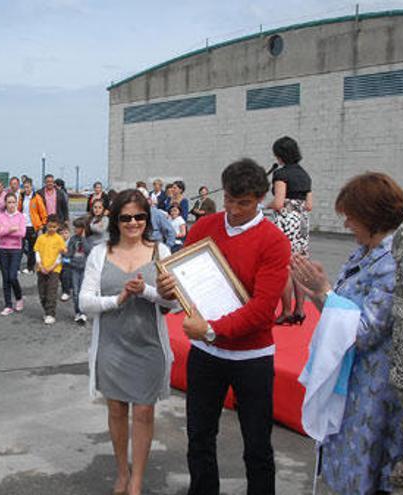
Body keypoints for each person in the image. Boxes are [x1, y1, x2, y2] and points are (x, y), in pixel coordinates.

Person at [157, 158, 290, 495]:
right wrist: (168, 289)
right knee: (199, 436)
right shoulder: (205, 226)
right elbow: (183, 282)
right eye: (229, 199)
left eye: (242, 203)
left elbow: (262, 311)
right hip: (206, 353)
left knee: (257, 444)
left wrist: (213, 329)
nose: (232, 209)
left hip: (252, 357)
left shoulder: (274, 241)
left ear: (260, 198)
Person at [290, 172, 403, 494]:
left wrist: (324, 290)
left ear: (371, 217)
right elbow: (335, 311)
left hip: (369, 388)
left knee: (362, 471)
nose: (347, 226)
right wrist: (316, 291)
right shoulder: (363, 253)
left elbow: (365, 331)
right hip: (349, 379)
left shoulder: (391, 261)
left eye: (351, 218)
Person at [79, 189, 177, 495]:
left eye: (139, 216)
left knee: (145, 413)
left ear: (147, 219)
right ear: (115, 220)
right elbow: (85, 302)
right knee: (117, 411)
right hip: (111, 346)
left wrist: (146, 291)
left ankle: (137, 481)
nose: (133, 223)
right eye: (126, 217)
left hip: (149, 345)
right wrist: (119, 298)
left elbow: (173, 303)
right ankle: (122, 471)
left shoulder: (161, 252)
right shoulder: (100, 253)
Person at [269, 136, 314, 326]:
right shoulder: (305, 175)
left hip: (287, 221)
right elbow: (310, 205)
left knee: (284, 267)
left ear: (280, 155)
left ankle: (287, 310)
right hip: (302, 221)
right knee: (299, 265)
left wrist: (267, 205)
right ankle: (300, 310)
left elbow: (279, 202)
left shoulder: (281, 174)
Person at [0, 192, 26, 316]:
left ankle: (19, 298)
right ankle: (8, 305)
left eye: (13, 202)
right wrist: (11, 229)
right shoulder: (1, 216)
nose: (11, 205)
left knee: (12, 276)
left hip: (16, 249)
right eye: (9, 202)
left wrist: (5, 230)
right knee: (5, 278)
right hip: (2, 248)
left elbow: (22, 233)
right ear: (5, 204)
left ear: (17, 203)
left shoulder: (21, 216)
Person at [33, 214, 66, 325]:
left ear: (58, 227)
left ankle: (50, 313)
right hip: (41, 269)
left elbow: (60, 255)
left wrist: (53, 266)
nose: (52, 229)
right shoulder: (41, 238)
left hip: (54, 270)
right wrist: (40, 265)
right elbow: (37, 251)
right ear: (46, 225)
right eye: (50, 226)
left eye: (54, 227)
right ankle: (46, 310)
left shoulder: (59, 239)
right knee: (42, 292)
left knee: (51, 291)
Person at [67, 217, 92, 324]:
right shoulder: (72, 239)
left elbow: (88, 251)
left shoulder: (88, 239)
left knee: (83, 292)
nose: (75, 229)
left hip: (85, 269)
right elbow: (69, 253)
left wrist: (83, 238)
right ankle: (77, 311)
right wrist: (67, 258)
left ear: (83, 228)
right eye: (75, 227)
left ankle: (83, 312)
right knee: (76, 292)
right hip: (74, 268)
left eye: (78, 228)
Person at [19, 179, 46, 273]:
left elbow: (43, 213)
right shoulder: (21, 197)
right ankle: (18, 267)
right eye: (24, 187)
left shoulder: (37, 198)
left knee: (32, 248)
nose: (26, 189)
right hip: (22, 226)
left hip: (33, 226)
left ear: (31, 187)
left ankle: (30, 268)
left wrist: (41, 226)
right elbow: (19, 210)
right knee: (20, 247)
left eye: (28, 187)